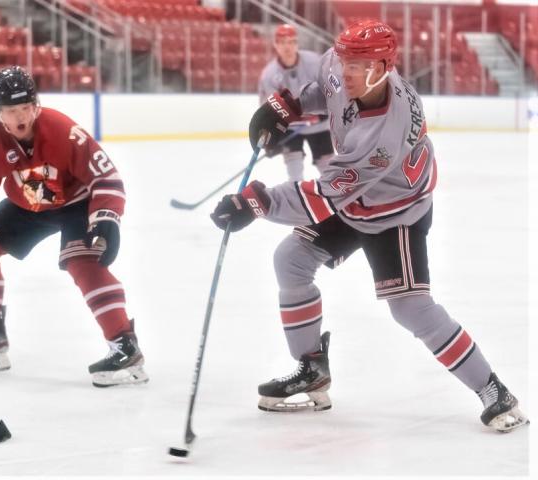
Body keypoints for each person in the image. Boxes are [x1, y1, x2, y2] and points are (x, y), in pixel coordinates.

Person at [211, 20, 528, 432]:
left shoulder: (384, 131)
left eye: (358, 66)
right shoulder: (341, 65)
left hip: (396, 212)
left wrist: (257, 202)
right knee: (290, 260)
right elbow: (324, 91)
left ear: (383, 66)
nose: (346, 72)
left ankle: (493, 389)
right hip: (357, 201)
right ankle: (311, 369)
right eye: (344, 61)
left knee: (410, 309)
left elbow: (325, 194)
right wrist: (287, 107)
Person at [0, 66, 148, 387]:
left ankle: (125, 346)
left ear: (35, 105)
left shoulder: (63, 131)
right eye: (9, 111)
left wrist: (107, 216)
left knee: (83, 261)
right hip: (27, 205)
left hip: (78, 203)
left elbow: (106, 177)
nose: (19, 118)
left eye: (25, 108)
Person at [257, 23, 334, 181]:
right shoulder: (269, 75)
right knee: (294, 172)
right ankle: (297, 201)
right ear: (275, 45)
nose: (288, 46)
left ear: (297, 44)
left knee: (329, 172)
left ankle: (335, 203)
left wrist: (329, 110)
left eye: (291, 41)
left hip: (318, 126)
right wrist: (271, 138)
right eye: (283, 42)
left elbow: (331, 88)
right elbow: (268, 109)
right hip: (289, 129)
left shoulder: (314, 61)